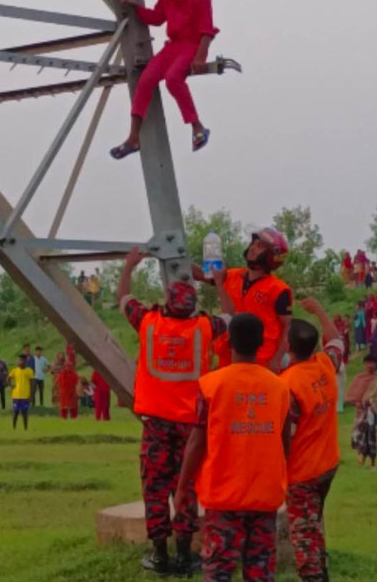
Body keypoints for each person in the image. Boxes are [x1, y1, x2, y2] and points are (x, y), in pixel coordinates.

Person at [119, 246, 229, 575]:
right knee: (187, 486)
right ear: (192, 307)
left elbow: (124, 297)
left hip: (155, 426)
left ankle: (159, 553)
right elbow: (232, 315)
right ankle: (184, 554)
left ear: (167, 303)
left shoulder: (148, 322)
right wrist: (217, 283)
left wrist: (129, 266)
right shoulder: (204, 329)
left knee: (154, 486)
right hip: (190, 427)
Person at [174, 313, 292, 582]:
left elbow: (197, 441)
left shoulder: (211, 385)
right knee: (260, 572)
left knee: (218, 571)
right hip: (264, 497)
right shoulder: (279, 388)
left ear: (228, 342)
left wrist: (182, 487)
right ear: (262, 343)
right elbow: (285, 442)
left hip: (223, 497)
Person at [112, 0, 218, 159]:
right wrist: (136, 9)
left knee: (173, 79)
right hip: (174, 46)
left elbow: (206, 29)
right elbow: (158, 18)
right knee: (145, 81)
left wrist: (200, 58)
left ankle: (197, 127)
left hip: (191, 46)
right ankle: (133, 138)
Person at [282, 298, 343, 582]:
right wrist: (319, 310)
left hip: (302, 474)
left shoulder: (288, 384)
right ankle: (324, 573)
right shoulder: (325, 364)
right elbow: (337, 340)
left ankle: (314, 575)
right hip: (328, 464)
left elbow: (286, 435)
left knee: (303, 535)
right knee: (314, 523)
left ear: (288, 348)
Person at [196, 227, 292, 371]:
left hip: (260, 362)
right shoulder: (232, 276)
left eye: (259, 246)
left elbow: (287, 328)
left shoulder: (278, 289)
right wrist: (177, 259)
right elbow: (204, 275)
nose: (252, 248)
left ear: (270, 255)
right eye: (253, 244)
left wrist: (276, 360)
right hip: (227, 358)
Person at [345, 355, 377, 469]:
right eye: (368, 363)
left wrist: (373, 402)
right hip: (360, 412)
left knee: (371, 435)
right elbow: (352, 393)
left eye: (372, 363)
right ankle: (361, 455)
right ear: (364, 364)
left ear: (376, 365)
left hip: (373, 411)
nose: (370, 365)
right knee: (360, 434)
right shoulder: (359, 378)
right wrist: (357, 403)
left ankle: (373, 462)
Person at [9, 354, 34, 430]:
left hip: (25, 396)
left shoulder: (29, 371)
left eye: (22, 360)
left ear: (25, 361)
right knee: (15, 413)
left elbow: (32, 384)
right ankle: (14, 428)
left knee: (24, 413)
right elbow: (8, 379)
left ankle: (25, 428)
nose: (20, 362)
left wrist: (31, 395)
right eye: (19, 360)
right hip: (16, 396)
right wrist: (11, 385)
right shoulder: (14, 371)